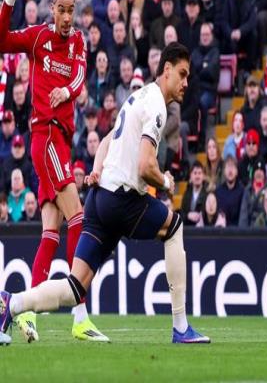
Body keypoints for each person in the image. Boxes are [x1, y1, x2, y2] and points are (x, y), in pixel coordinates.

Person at [0, 42, 210, 345]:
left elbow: (106, 141)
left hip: (99, 200)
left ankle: (12, 303)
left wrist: (97, 170)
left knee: (75, 288)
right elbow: (145, 166)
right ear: (167, 70)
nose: (186, 82)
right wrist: (165, 182)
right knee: (174, 227)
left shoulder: (136, 98)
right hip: (122, 200)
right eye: (182, 74)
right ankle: (181, 327)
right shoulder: (156, 106)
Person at [0, 0, 106, 342]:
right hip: (44, 136)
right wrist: (9, 2)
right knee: (79, 217)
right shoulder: (38, 38)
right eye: (61, 10)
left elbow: (79, 77)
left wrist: (67, 90)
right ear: (52, 10)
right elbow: (2, 41)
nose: (66, 17)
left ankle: (25, 313)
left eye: (71, 11)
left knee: (50, 233)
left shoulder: (78, 42)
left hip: (62, 141)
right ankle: (80, 316)